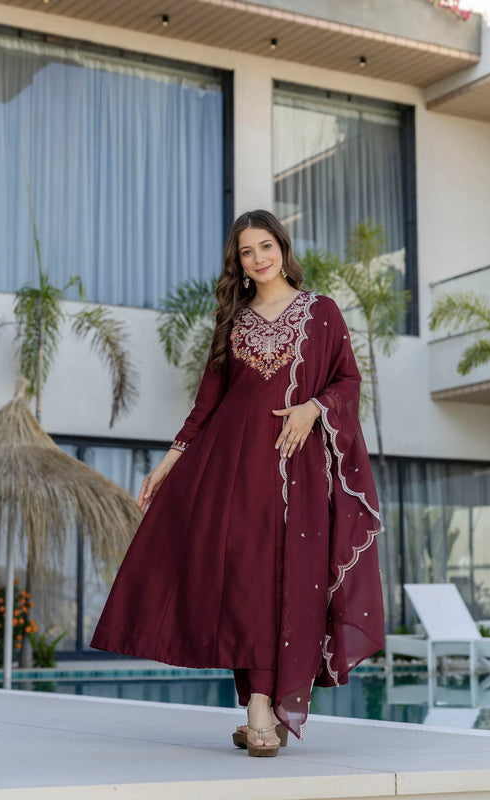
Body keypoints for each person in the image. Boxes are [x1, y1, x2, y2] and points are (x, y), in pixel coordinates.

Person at [90, 209, 384, 757]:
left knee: (286, 581)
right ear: (239, 263)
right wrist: (169, 463)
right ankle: (258, 710)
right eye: (247, 252)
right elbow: (207, 405)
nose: (258, 258)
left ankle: (262, 707)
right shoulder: (232, 321)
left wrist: (314, 408)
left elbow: (348, 378)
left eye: (265, 246)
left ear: (282, 247)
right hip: (229, 470)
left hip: (295, 472)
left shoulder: (321, 312)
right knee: (245, 580)